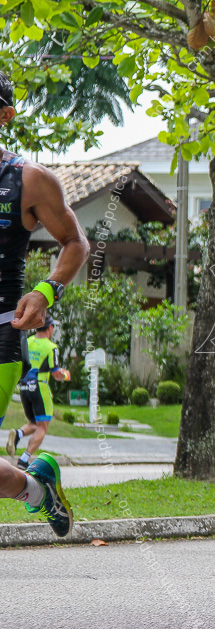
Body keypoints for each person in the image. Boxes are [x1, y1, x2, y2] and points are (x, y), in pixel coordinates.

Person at [0, 72, 90, 537]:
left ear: (5, 114)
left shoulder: (29, 181)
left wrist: (46, 290)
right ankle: (39, 490)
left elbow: (75, 242)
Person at [8, 316, 71, 469]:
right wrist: (65, 375)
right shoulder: (51, 347)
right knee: (43, 427)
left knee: (34, 423)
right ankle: (24, 460)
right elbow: (56, 373)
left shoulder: (27, 342)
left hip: (24, 387)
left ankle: (18, 433)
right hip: (40, 387)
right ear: (50, 328)